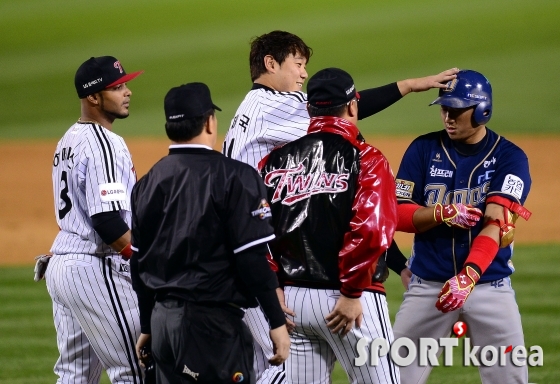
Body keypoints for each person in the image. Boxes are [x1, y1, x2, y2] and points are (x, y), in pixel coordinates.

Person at [222, 29, 459, 383]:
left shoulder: (254, 109)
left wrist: (407, 85)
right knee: (274, 368)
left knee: (273, 367)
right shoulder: (276, 106)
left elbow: (332, 106)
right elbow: (336, 121)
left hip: (259, 256)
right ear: (270, 64)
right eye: (298, 64)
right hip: (260, 263)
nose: (303, 74)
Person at [130, 82, 291, 384]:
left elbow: (138, 264)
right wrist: (276, 321)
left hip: (163, 324)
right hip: (210, 328)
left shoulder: (147, 183)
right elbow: (252, 259)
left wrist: (148, 325)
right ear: (208, 121)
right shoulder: (236, 176)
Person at [260, 67, 400, 384]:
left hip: (293, 305)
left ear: (310, 110)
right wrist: (351, 292)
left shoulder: (274, 161)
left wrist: (274, 288)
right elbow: (370, 230)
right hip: (350, 302)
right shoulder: (366, 158)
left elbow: (256, 231)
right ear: (352, 106)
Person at [392, 69, 532, 384]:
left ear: (482, 109)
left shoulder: (510, 158)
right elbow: (398, 215)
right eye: (444, 108)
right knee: (393, 377)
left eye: (456, 110)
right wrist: (439, 213)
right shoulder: (423, 149)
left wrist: (468, 276)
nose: (448, 117)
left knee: (510, 380)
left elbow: (497, 222)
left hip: (489, 287)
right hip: (428, 286)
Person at [42, 56, 145, 383]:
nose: (127, 92)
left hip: (62, 267)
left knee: (75, 376)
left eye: (125, 84)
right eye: (117, 87)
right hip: (95, 267)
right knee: (136, 369)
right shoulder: (104, 143)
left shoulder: (68, 139)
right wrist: (141, 260)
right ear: (93, 97)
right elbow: (107, 220)